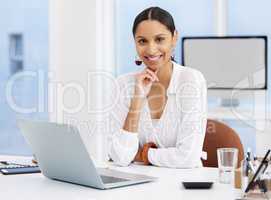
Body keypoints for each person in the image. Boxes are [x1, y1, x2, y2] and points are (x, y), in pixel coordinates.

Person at [108, 7, 207, 168]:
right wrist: (137, 100)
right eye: (142, 41)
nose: (151, 49)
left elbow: (188, 157)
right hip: (138, 186)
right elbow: (120, 157)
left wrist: (145, 154)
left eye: (159, 39)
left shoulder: (190, 80)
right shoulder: (123, 84)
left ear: (174, 37)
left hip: (183, 186)